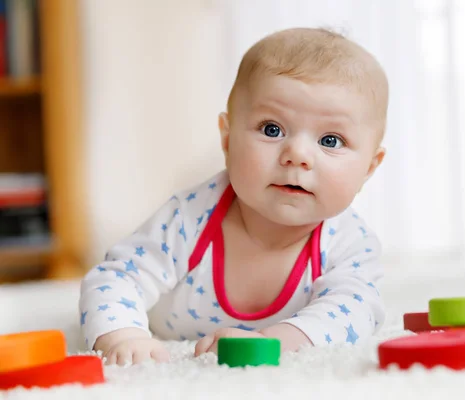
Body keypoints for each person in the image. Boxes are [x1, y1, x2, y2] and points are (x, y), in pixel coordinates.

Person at [79, 27, 389, 366]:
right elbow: (116, 277)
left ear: (369, 168)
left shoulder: (350, 244)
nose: (297, 154)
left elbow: (355, 312)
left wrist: (274, 342)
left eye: (330, 140)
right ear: (227, 140)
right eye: (272, 129)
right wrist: (124, 335)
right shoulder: (188, 218)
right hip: (167, 332)